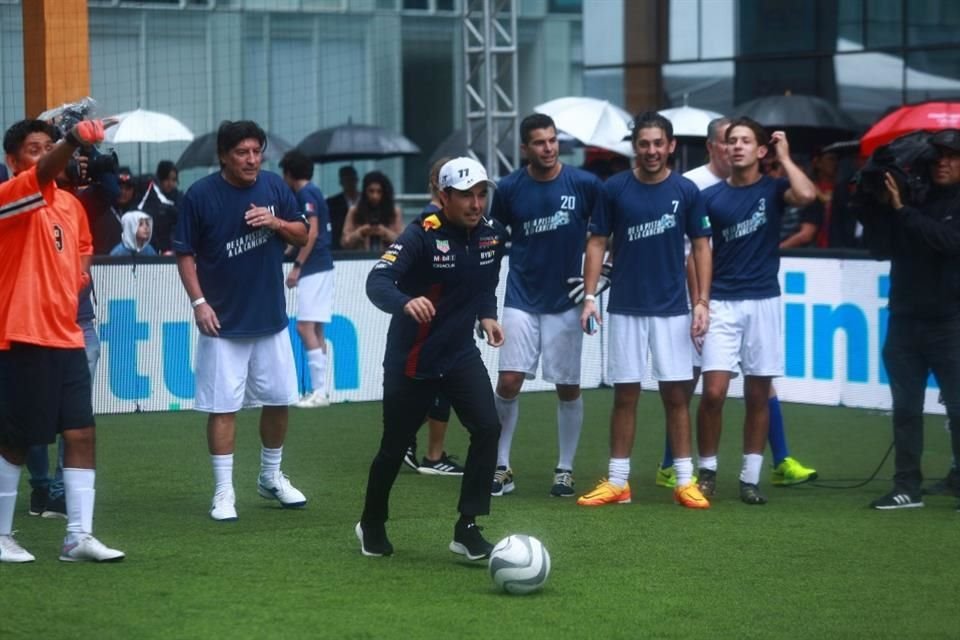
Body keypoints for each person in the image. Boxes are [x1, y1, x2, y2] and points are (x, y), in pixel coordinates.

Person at [655, 117, 818, 491]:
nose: (738, 146)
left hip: (763, 302)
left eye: (746, 141)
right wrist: (701, 301)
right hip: (722, 305)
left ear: (761, 150)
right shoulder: (708, 198)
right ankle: (708, 472)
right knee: (713, 392)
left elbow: (808, 196)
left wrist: (786, 157)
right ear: (723, 149)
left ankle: (750, 477)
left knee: (758, 394)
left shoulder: (775, 189)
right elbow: (696, 254)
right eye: (732, 141)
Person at [357, 157, 506, 559]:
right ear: (444, 197)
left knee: (488, 428)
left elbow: (487, 280)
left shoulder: (493, 234)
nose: (476, 204)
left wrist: (487, 315)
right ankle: (371, 522)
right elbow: (377, 282)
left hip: (459, 354)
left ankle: (467, 527)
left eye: (481, 194)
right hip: (413, 360)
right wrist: (406, 302)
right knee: (395, 447)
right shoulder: (420, 235)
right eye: (466, 196)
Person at [0, 117, 124, 562]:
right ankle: (1, 535)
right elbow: (47, 172)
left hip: (67, 333)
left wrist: (78, 273)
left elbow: (84, 244)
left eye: (48, 144)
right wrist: (73, 139)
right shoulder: (12, 195)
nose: (45, 152)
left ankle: (77, 536)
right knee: (16, 436)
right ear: (12, 162)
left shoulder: (70, 206)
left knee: (81, 432)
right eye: (35, 148)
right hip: (21, 333)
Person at [172, 120, 309, 521]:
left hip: (271, 317)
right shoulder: (200, 196)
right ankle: (223, 492)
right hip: (223, 322)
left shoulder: (274, 188)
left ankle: (270, 477)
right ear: (223, 156)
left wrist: (276, 223)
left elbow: (303, 234)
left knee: (279, 399)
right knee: (223, 407)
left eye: (256, 151)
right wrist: (199, 302)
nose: (252, 159)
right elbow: (184, 253)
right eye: (242, 153)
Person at [577, 112, 712, 509]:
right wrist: (588, 297)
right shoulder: (614, 189)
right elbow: (597, 242)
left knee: (676, 396)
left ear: (670, 146)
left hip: (672, 310)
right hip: (624, 308)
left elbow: (701, 247)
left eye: (658, 143)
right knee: (625, 395)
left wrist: (701, 301)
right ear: (634, 146)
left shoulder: (687, 191)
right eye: (644, 143)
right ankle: (619, 482)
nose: (651, 151)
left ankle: (685, 481)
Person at [489, 113, 603, 498]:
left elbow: (605, 234)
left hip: (566, 301)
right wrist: (483, 305)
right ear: (525, 148)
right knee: (508, 381)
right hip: (520, 297)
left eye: (553, 140)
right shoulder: (507, 189)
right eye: (540, 142)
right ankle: (501, 466)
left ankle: (565, 470)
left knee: (568, 387)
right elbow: (491, 246)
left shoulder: (584, 184)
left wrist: (601, 278)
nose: (549, 148)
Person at [859, 129, 960, 510]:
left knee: (959, 407)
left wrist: (904, 211)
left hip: (951, 319)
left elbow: (950, 243)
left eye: (952, 156)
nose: (943, 163)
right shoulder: (916, 197)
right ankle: (906, 487)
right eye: (938, 157)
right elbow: (880, 249)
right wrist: (881, 207)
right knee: (905, 409)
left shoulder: (921, 205)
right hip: (904, 317)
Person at [401, 157, 467, 477]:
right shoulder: (433, 223)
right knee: (438, 385)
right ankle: (432, 455)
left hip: (432, 317)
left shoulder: (427, 221)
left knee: (428, 385)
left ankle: (411, 445)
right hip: (436, 318)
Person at [279, 150, 335, 409]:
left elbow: (310, 234)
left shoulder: (306, 194)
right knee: (316, 329)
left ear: (289, 173)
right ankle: (321, 391)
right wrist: (288, 250)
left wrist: (297, 266)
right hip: (321, 264)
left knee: (304, 327)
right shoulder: (313, 192)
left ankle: (319, 392)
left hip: (314, 266)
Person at [340, 171, 404, 251]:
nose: (375, 196)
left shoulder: (394, 212)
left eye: (379, 191)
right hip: (360, 260)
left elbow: (402, 243)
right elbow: (345, 242)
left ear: (384, 193)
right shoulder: (354, 211)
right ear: (365, 192)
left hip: (387, 258)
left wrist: (384, 232)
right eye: (371, 191)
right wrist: (361, 232)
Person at [138, 160, 181, 255]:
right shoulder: (152, 199)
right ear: (160, 179)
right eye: (167, 179)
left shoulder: (180, 199)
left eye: (174, 180)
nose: (170, 183)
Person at [326, 165, 359, 251]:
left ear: (356, 180)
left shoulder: (365, 200)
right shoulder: (332, 203)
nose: (349, 183)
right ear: (341, 182)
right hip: (339, 248)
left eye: (351, 179)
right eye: (346, 180)